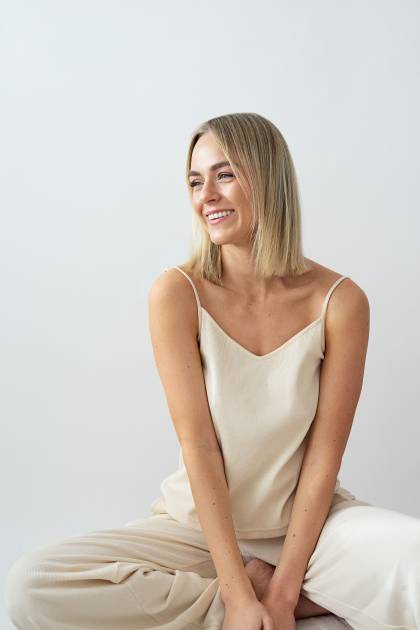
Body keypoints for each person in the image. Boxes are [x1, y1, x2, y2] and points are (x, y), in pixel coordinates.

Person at [4, 113, 420, 630]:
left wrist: (284, 591)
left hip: (309, 531)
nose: (207, 197)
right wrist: (237, 594)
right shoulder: (178, 293)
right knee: (32, 585)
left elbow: (323, 457)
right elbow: (199, 446)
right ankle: (241, 606)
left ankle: (280, 596)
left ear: (267, 178)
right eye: (196, 182)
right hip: (199, 529)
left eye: (225, 175)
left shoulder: (339, 301)